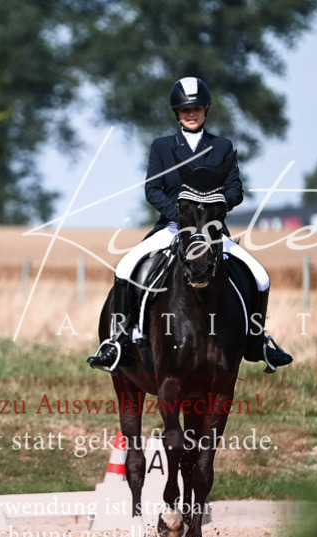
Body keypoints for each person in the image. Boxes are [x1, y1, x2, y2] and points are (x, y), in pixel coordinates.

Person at [87, 76, 293, 373]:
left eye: (196, 108)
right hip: (172, 228)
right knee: (125, 268)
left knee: (260, 277)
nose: (191, 113)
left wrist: (213, 209)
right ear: (177, 113)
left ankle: (256, 341)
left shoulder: (222, 147)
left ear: (206, 109)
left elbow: (236, 189)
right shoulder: (162, 147)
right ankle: (118, 342)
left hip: (211, 232)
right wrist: (179, 214)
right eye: (185, 110)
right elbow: (153, 189)